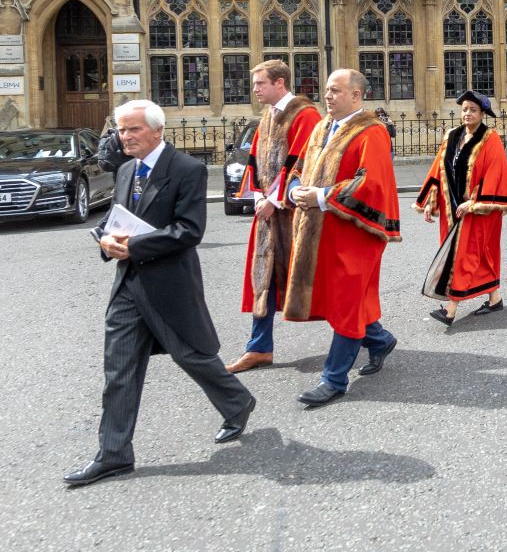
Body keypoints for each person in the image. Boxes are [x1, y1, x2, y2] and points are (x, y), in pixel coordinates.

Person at [66, 100, 256, 487]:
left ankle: (237, 402)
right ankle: (114, 455)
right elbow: (114, 218)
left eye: (133, 129)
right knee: (119, 371)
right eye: (121, 130)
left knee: (192, 356)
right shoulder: (125, 170)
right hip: (128, 286)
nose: (125, 137)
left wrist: (135, 247)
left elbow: (189, 230)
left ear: (156, 130)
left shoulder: (187, 169)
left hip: (169, 284)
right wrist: (104, 239)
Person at [284, 69, 402, 407]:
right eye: (326, 90)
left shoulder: (372, 132)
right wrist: (295, 191)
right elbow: (299, 167)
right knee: (345, 300)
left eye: (336, 90)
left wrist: (322, 196)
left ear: (357, 95)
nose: (328, 96)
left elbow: (371, 183)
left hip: (355, 234)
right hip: (322, 232)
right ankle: (378, 340)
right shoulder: (322, 127)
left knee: (348, 302)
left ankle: (334, 378)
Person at [227, 60, 322, 374]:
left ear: (279, 83)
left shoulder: (305, 114)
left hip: (294, 215)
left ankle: (371, 335)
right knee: (264, 279)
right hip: (268, 215)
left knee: (316, 282)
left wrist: (274, 200)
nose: (255, 90)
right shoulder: (268, 116)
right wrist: (258, 197)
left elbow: (300, 164)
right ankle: (259, 348)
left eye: (259, 84)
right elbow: (254, 159)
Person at [417, 90, 507, 324]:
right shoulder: (452, 136)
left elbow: (497, 173)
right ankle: (495, 298)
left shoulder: (490, 138)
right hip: (452, 208)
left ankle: (450, 309)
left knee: (464, 255)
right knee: (479, 255)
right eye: (464, 109)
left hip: (478, 210)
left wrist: (473, 202)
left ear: (483, 113)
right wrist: (431, 202)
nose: (467, 113)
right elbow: (438, 168)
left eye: (473, 110)